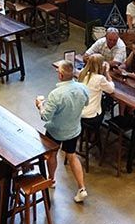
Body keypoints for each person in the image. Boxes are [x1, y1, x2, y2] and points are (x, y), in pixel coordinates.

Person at [36, 60, 90, 203]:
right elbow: (86, 103)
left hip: (56, 131)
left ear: (60, 75)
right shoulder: (82, 88)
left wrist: (40, 105)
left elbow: (45, 116)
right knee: (72, 156)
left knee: (52, 154)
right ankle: (81, 188)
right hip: (74, 129)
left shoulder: (56, 94)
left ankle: (51, 179)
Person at [78, 54, 114, 186]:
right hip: (91, 117)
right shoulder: (100, 79)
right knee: (106, 104)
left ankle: (88, 134)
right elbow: (111, 89)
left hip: (79, 114)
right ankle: (94, 134)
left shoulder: (82, 74)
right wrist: (107, 73)